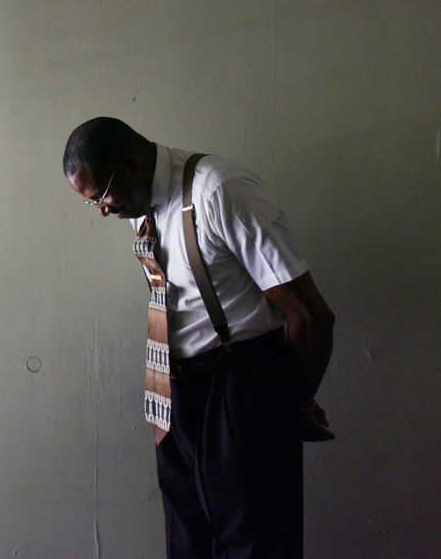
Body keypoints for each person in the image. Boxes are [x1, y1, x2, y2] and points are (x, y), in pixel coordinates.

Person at [62, 117, 334, 558]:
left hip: (239, 382)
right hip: (172, 385)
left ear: (131, 165)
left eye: (102, 196)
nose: (103, 211)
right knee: (187, 537)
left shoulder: (220, 191)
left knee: (255, 540)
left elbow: (311, 317)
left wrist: (289, 404)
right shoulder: (140, 202)